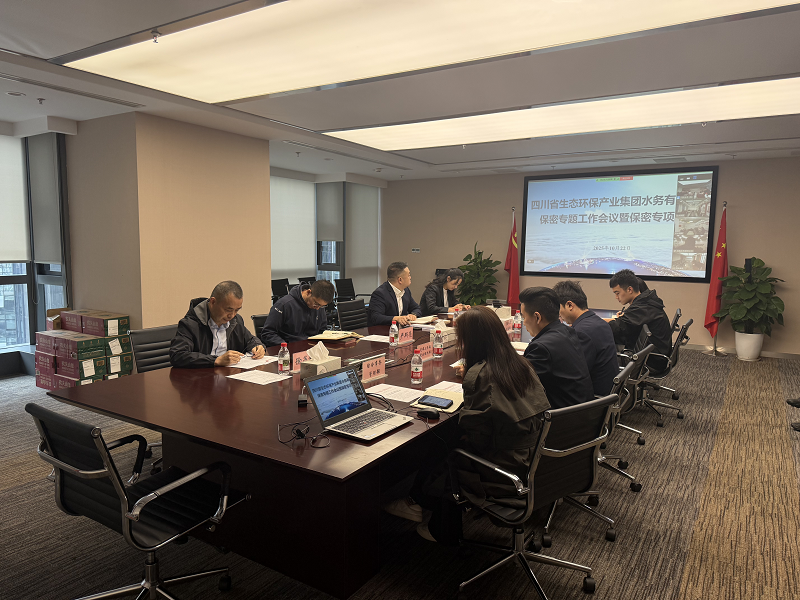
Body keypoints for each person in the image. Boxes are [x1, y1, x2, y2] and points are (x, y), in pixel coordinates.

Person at [383, 307, 550, 543]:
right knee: (448, 436)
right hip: (531, 458)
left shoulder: (481, 374)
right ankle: (419, 500)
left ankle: (439, 524)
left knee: (445, 442)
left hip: (502, 468)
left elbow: (474, 434)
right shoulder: (522, 364)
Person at [519, 286, 594, 408]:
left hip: (561, 416)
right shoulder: (568, 332)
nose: (524, 322)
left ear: (537, 317)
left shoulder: (541, 348)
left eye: (524, 317)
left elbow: (519, 385)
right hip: (582, 410)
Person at [170, 280, 265, 368]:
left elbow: (250, 340)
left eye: (237, 310)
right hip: (201, 377)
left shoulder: (236, 321)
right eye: (228, 310)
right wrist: (215, 360)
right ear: (213, 302)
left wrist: (257, 346)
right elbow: (178, 355)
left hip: (230, 375)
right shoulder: (191, 324)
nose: (232, 315)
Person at [552, 280, 619, 396]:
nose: (559, 314)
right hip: (609, 391)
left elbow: (573, 373)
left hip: (595, 398)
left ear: (569, 305)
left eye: (559, 309)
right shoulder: (598, 322)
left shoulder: (581, 332)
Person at [603, 269, 673, 370]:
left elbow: (616, 328)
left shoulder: (643, 307)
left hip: (652, 361)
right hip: (654, 355)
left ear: (630, 290)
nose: (616, 297)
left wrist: (595, 321)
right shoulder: (646, 301)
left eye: (617, 293)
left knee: (599, 357)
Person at [260, 280, 335, 347]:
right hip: (288, 349)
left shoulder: (319, 308)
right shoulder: (284, 305)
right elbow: (268, 333)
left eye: (322, 306)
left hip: (311, 349)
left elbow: (322, 331)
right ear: (308, 292)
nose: (318, 308)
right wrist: (285, 347)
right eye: (316, 303)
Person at [367, 262, 422, 326]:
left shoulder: (406, 291)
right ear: (400, 280)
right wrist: (395, 318)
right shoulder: (380, 294)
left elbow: (417, 308)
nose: (410, 277)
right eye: (408, 275)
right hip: (383, 330)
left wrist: (413, 315)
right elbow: (376, 317)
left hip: (401, 329)